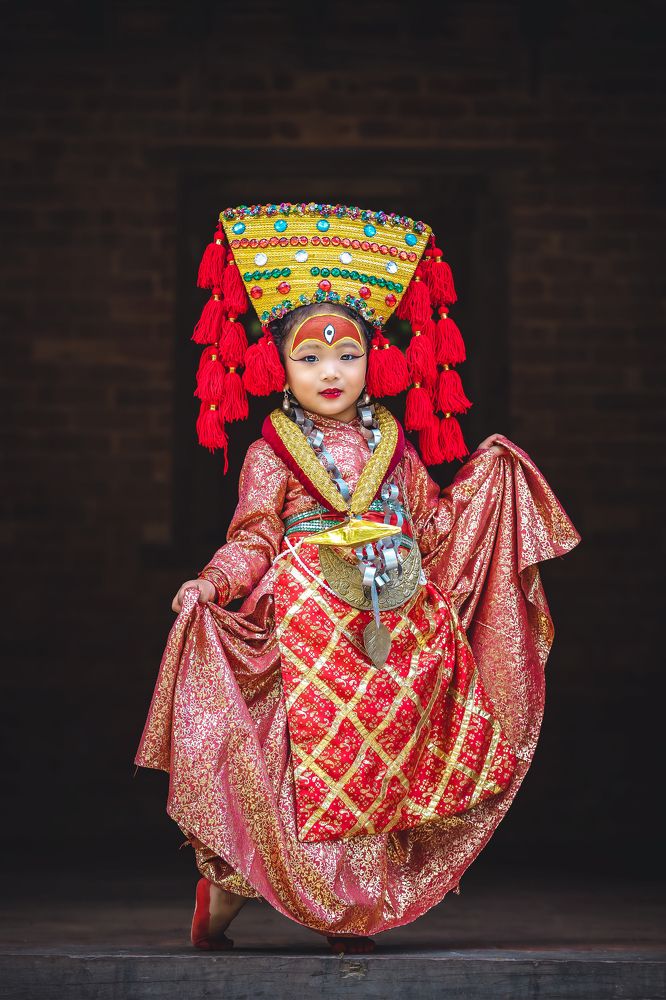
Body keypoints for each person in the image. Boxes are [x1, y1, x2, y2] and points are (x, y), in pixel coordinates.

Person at [135, 202, 581, 955]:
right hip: (309, 627)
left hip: (396, 619)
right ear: (281, 368)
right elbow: (253, 538)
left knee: (380, 762)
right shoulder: (271, 454)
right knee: (298, 767)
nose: (330, 371)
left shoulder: (394, 445)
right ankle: (237, 888)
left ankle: (357, 906)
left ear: (376, 360)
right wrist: (213, 583)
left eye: (346, 355)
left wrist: (484, 489)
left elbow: (432, 527)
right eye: (310, 358)